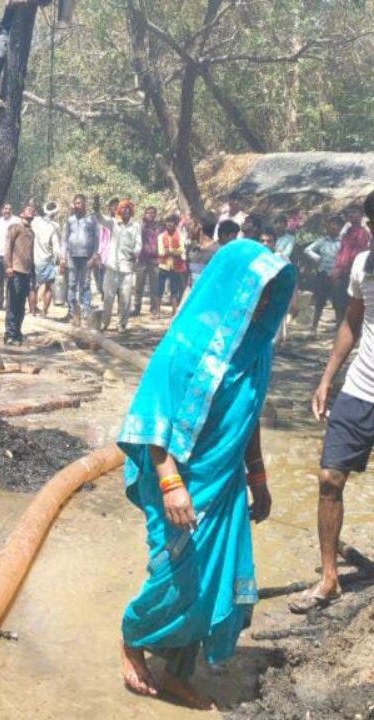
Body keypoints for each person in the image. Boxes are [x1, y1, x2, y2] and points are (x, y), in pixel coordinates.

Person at [118, 239, 295, 709]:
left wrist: (258, 477)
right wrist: (171, 484)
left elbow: (248, 416)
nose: (264, 303)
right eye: (258, 290)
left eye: (272, 293)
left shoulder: (256, 349)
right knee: (174, 576)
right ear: (233, 286)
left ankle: (178, 671)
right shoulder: (186, 344)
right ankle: (132, 637)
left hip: (225, 483)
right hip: (177, 478)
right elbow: (154, 420)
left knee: (211, 581)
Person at [294, 192, 374, 614]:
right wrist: (327, 379)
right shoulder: (362, 265)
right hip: (360, 388)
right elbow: (351, 323)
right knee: (329, 477)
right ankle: (329, 578)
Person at [100, 198, 142, 333]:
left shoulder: (136, 226)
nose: (126, 210)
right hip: (112, 266)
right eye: (123, 208)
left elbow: (139, 244)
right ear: (119, 210)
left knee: (125, 299)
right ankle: (104, 322)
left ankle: (122, 324)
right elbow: (101, 219)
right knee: (108, 297)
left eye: (128, 208)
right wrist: (96, 208)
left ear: (131, 211)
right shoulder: (113, 223)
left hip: (127, 267)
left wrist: (135, 253)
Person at [61, 193, 99, 327]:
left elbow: (97, 239)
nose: (77, 206)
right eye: (76, 203)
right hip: (72, 257)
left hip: (86, 257)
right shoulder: (70, 220)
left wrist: (94, 256)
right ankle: (71, 312)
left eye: (80, 203)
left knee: (85, 285)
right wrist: (63, 256)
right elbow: (64, 239)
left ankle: (86, 312)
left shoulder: (92, 220)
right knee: (71, 284)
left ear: (84, 205)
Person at [4, 205, 36, 343]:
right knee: (13, 303)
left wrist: (32, 272)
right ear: (22, 213)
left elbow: (31, 254)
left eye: (33, 211)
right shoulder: (15, 227)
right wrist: (8, 266)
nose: (31, 212)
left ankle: (17, 332)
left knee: (21, 305)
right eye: (28, 210)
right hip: (15, 271)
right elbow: (8, 246)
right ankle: (10, 334)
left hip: (26, 272)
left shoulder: (31, 232)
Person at [305, 217, 342, 334]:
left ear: (340, 227)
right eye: (331, 224)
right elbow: (307, 250)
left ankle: (339, 328)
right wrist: (318, 258)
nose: (333, 226)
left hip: (337, 275)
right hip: (323, 274)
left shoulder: (343, 241)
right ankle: (313, 328)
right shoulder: (322, 241)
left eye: (335, 224)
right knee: (319, 301)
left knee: (338, 302)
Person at [334, 206, 372, 318]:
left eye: (354, 212)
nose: (351, 215)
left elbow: (356, 255)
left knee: (350, 302)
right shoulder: (348, 232)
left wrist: (340, 268)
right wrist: (336, 266)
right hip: (342, 272)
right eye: (349, 213)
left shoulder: (362, 233)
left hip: (351, 272)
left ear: (361, 215)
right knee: (339, 302)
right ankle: (340, 325)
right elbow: (342, 251)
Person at [31, 201, 61, 317]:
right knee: (49, 287)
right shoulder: (55, 226)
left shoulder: (35, 221)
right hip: (48, 260)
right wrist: (58, 260)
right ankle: (44, 312)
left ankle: (33, 312)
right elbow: (56, 247)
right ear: (55, 213)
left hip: (35, 258)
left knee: (33, 287)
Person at [0, 203, 20, 310]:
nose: (7, 211)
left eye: (9, 209)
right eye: (5, 209)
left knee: (10, 281)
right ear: (2, 210)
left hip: (9, 256)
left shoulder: (16, 221)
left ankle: (9, 305)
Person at [156, 214, 186, 316]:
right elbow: (161, 252)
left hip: (175, 266)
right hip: (163, 266)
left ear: (175, 224)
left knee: (174, 289)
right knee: (160, 289)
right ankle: (157, 311)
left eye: (171, 222)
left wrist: (169, 251)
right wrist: (174, 252)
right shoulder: (161, 236)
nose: (169, 224)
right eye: (167, 222)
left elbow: (181, 250)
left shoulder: (180, 236)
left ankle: (174, 311)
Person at [187, 217, 221, 291]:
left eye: (192, 225)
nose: (189, 229)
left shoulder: (216, 252)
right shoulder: (194, 251)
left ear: (199, 227)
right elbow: (190, 283)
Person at [95, 198, 119, 301]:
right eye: (113, 206)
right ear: (109, 208)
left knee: (118, 283)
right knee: (102, 282)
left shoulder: (123, 222)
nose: (115, 208)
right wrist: (98, 254)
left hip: (118, 256)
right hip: (105, 256)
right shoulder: (105, 221)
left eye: (117, 206)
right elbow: (100, 238)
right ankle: (104, 301)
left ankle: (119, 305)